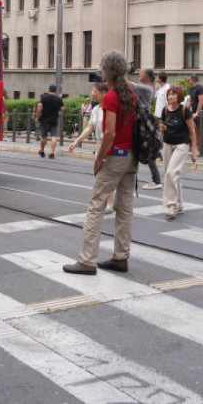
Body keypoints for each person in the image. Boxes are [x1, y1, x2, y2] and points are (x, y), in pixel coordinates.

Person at [64, 50, 138, 275]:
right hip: (131, 157)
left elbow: (109, 133)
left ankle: (87, 261)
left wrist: (98, 160)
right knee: (124, 208)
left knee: (96, 206)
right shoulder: (131, 93)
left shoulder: (111, 96)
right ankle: (120, 257)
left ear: (107, 70)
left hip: (115, 156)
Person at [68, 83, 114, 213]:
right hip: (100, 144)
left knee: (107, 176)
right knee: (100, 174)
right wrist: (77, 140)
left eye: (95, 91)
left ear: (104, 93)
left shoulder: (111, 107)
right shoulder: (95, 109)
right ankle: (108, 202)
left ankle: (109, 203)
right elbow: (90, 128)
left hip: (111, 144)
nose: (92, 94)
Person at [159, 85, 197, 219]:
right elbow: (162, 127)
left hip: (181, 144)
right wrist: (162, 128)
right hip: (167, 144)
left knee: (171, 173)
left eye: (174, 94)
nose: (170, 97)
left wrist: (194, 151)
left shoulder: (184, 111)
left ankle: (171, 205)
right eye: (169, 94)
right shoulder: (165, 110)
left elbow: (192, 131)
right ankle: (179, 204)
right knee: (173, 175)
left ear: (179, 97)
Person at [136, 67, 162, 189]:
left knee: (146, 150)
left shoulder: (145, 88)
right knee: (145, 150)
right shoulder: (145, 87)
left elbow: (128, 84)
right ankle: (156, 180)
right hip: (142, 121)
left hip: (143, 122)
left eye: (140, 72)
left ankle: (156, 180)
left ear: (145, 76)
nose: (138, 73)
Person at [35, 84, 63, 159]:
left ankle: (42, 151)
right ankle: (52, 153)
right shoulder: (58, 98)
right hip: (54, 120)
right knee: (53, 137)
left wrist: (38, 116)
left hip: (44, 120)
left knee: (43, 136)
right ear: (55, 90)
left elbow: (39, 105)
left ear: (48, 89)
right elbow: (62, 109)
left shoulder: (44, 97)